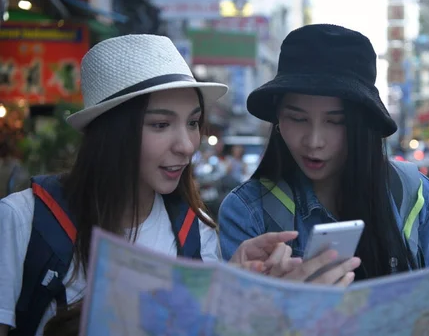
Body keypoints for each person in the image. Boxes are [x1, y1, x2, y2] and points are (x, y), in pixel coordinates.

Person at [0, 34, 359, 336]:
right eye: (160, 125)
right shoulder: (23, 220)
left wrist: (229, 284)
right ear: (110, 132)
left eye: (193, 123)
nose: (186, 145)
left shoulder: (195, 232)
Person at [218, 24, 429, 336]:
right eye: (297, 118)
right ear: (277, 121)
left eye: (336, 121)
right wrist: (276, 313)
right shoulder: (247, 210)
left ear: (363, 126)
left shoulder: (414, 192)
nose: (314, 140)